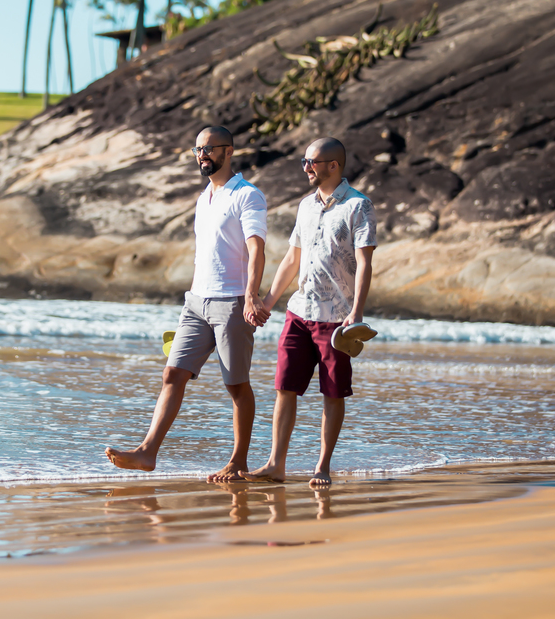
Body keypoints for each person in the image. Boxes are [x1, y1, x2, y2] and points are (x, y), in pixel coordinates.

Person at [106, 126, 270, 482]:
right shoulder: (203, 197)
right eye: (197, 150)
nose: (202, 155)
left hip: (232, 303)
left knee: (236, 385)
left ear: (229, 151)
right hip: (196, 302)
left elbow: (257, 249)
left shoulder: (248, 196)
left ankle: (238, 461)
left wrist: (252, 295)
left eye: (209, 149)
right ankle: (147, 452)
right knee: (172, 373)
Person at [244, 137, 376, 487]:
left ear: (333, 165)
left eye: (311, 162)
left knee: (332, 393)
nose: (305, 168)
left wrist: (357, 312)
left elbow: (364, 263)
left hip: (337, 319)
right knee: (284, 387)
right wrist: (268, 303)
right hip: (299, 313)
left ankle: (322, 466)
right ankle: (275, 464)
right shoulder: (305, 206)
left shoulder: (359, 206)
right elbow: (292, 258)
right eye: (304, 161)